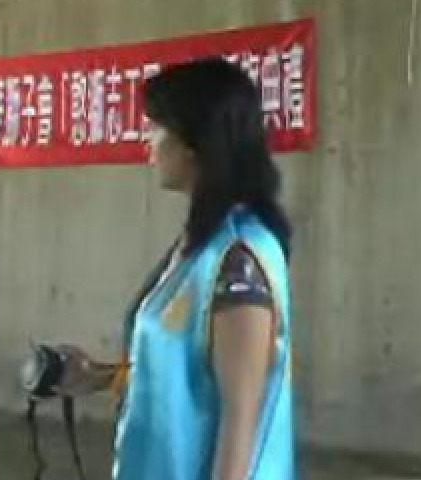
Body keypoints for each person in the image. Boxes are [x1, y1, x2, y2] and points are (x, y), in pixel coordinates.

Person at [55, 58, 294, 480]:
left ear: (193, 142)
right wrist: (99, 378)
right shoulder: (203, 243)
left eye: (155, 127)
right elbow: (183, 376)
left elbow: (241, 419)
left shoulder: (238, 258)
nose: (147, 142)